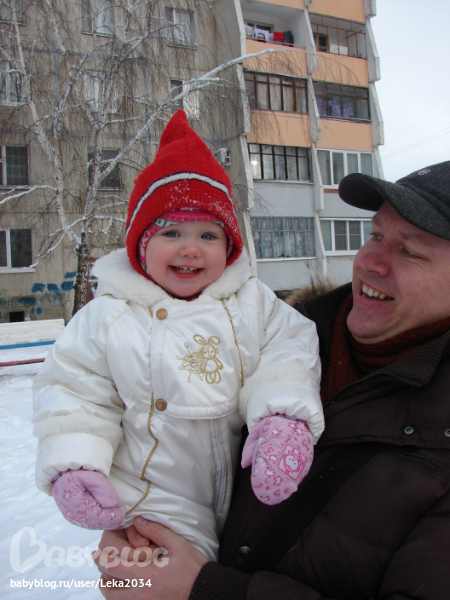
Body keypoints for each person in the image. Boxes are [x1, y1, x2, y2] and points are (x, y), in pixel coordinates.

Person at [94, 160, 450, 600]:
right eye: (375, 235)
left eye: (410, 251)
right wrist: (141, 522)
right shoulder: (271, 337)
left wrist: (203, 588)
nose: (370, 261)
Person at [33, 109, 324, 562]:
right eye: (171, 232)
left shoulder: (251, 301)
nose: (191, 248)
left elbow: (288, 351)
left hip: (242, 482)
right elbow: (74, 390)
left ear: (229, 247)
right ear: (140, 246)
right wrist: (74, 460)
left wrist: (282, 419)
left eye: (208, 235)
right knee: (160, 580)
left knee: (238, 574)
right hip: (151, 495)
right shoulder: (109, 315)